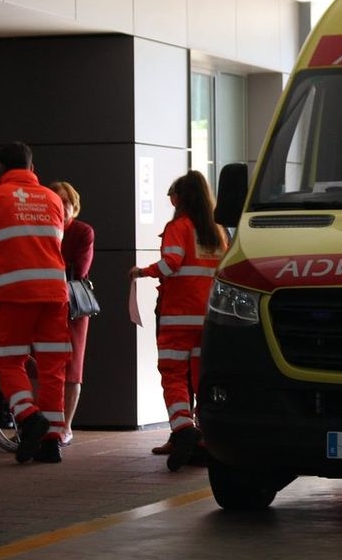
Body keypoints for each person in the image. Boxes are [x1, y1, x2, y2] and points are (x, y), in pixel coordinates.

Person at [0, 142, 71, 464]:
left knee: (9, 363)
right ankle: (51, 442)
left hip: (15, 294)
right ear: (31, 168)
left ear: (1, 168)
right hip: (54, 294)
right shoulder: (52, 198)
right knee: (52, 368)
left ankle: (27, 415)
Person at [129, 170, 227, 471]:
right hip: (208, 317)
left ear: (181, 198)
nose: (170, 202)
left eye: (172, 196)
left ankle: (183, 429)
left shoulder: (179, 226)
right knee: (199, 378)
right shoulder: (217, 231)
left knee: (172, 374)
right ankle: (203, 437)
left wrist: (142, 271)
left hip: (178, 316)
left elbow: (171, 263)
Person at [48, 180, 95, 447]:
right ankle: (44, 422)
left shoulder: (82, 231)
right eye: (56, 201)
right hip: (46, 302)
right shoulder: (42, 230)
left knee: (72, 367)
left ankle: (66, 426)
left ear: (73, 205)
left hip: (73, 304)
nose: (62, 207)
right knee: (42, 363)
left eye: (66, 201)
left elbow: (80, 268)